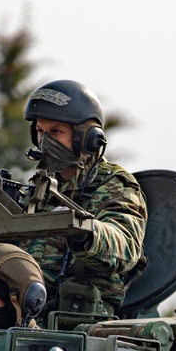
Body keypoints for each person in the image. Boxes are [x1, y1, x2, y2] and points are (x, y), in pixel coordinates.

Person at [22, 79, 148, 318]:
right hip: (24, 318)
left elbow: (126, 245)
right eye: (40, 131)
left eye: (56, 132)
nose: (44, 141)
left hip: (84, 322)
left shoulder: (114, 184)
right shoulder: (36, 190)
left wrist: (85, 233)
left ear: (85, 137)